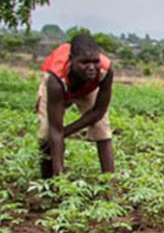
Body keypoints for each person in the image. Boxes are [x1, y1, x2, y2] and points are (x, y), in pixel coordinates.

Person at [37, 33, 115, 179]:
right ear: (71, 60)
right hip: (61, 87)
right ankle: (50, 181)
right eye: (84, 63)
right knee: (47, 134)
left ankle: (110, 180)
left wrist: (66, 132)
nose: (91, 67)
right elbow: (55, 128)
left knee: (102, 129)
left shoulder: (105, 71)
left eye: (95, 62)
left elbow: (98, 112)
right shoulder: (55, 80)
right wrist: (58, 134)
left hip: (88, 88)